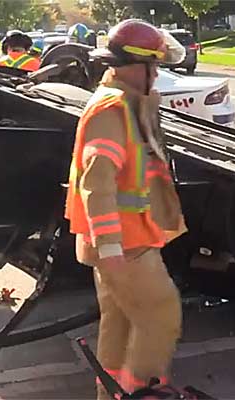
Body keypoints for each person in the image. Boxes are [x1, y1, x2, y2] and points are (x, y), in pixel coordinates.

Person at [68, 19, 187, 399]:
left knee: (118, 327)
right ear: (140, 66)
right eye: (155, 67)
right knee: (160, 315)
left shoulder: (120, 101)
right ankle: (143, 393)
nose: (157, 75)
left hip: (121, 241)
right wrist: (110, 248)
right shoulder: (113, 109)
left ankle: (113, 394)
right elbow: (96, 182)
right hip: (125, 243)